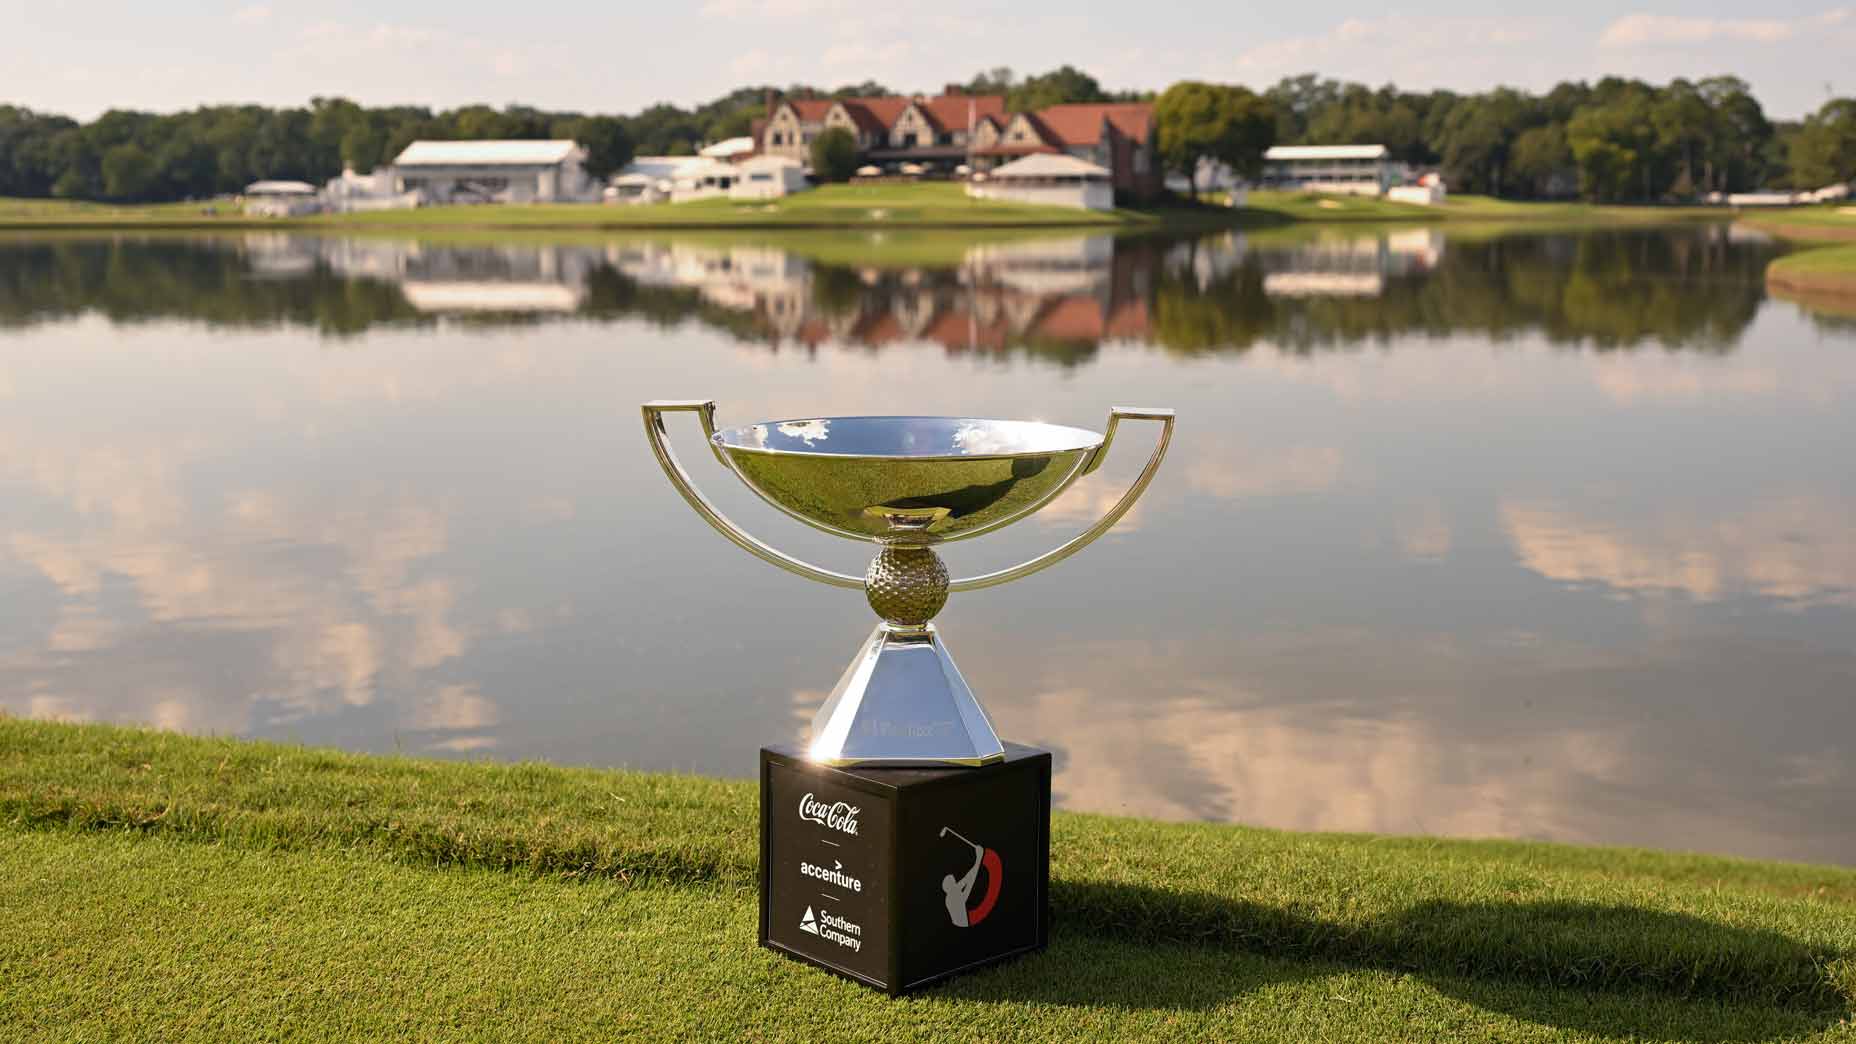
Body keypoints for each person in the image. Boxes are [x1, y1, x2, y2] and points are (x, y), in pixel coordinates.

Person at [941, 839, 983, 928]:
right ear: (950, 886)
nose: (957, 882)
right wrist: (979, 859)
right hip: (963, 926)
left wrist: (978, 858)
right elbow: (970, 884)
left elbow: (967, 878)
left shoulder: (952, 892)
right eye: (954, 882)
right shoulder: (952, 897)